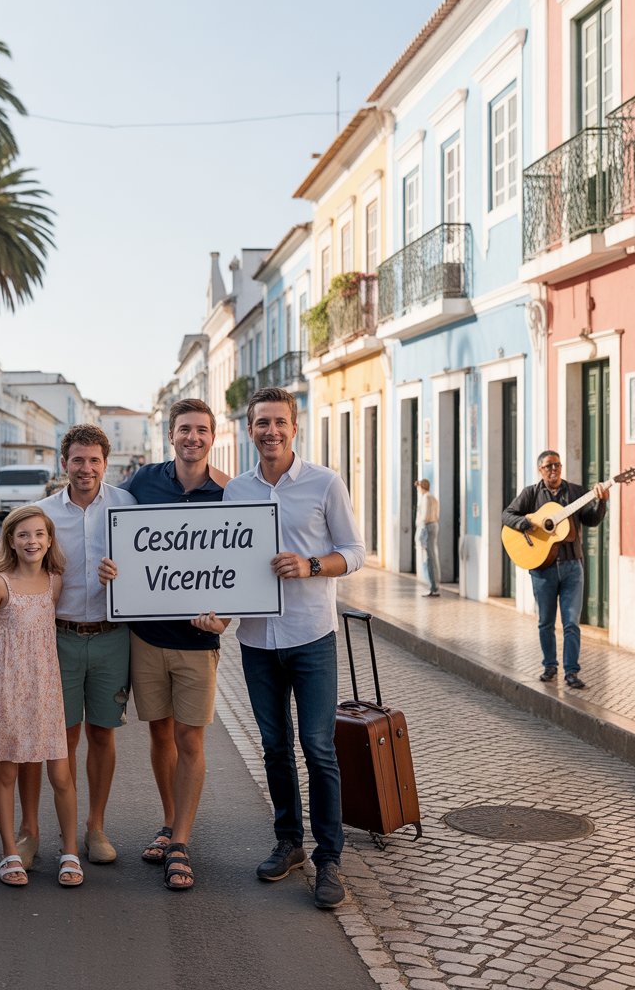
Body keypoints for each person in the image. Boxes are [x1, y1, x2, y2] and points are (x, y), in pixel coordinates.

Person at [0, 425, 135, 866]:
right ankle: (29, 831)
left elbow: (151, 562)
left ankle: (95, 828)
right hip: (57, 640)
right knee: (45, 739)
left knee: (103, 734)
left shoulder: (126, 506)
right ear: (64, 463)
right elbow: (7, 577)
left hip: (110, 637)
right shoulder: (41, 514)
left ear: (106, 463)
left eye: (94, 460)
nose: (86, 468)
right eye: (77, 460)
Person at [212, 386, 365, 910]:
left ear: (294, 427)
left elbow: (354, 552)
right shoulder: (235, 490)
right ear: (249, 430)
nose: (271, 432)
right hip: (256, 640)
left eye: (279, 423)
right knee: (274, 748)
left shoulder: (325, 483)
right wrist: (220, 614)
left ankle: (330, 858)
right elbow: (232, 567)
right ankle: (289, 842)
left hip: (311, 635)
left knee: (318, 748)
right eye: (261, 424)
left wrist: (310, 565)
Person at [98, 397, 228, 892]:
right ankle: (171, 821)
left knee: (190, 740)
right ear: (170, 435)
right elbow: (108, 530)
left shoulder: (230, 493)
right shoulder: (140, 483)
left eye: (201, 430)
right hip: (146, 637)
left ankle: (181, 843)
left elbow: (243, 563)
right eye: (184, 429)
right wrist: (109, 565)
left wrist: (227, 617)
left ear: (211, 437)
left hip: (197, 642)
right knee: (159, 735)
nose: (192, 437)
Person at [0, 505, 83, 888]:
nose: (32, 541)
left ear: (49, 540)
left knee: (61, 774)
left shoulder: (55, 582)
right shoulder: (0, 585)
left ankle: (70, 851)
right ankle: (10, 853)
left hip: (45, 690)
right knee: (7, 772)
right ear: (11, 542)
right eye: (23, 535)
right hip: (5, 689)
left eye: (38, 534)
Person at [501, 450, 609, 690]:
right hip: (542, 568)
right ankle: (550, 665)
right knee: (546, 622)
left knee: (571, 622)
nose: (554, 470)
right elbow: (506, 515)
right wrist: (526, 523)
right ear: (540, 470)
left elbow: (591, 520)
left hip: (573, 566)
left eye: (557, 466)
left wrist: (601, 502)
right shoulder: (530, 494)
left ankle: (572, 672)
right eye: (549, 466)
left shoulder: (576, 493)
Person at [414, 478, 440, 597]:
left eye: (419, 486)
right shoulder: (433, 497)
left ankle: (433, 586)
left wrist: (420, 529)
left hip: (427, 527)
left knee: (429, 558)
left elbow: (424, 516)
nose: (418, 489)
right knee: (432, 557)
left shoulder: (426, 498)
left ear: (422, 486)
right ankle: (434, 586)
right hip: (433, 526)